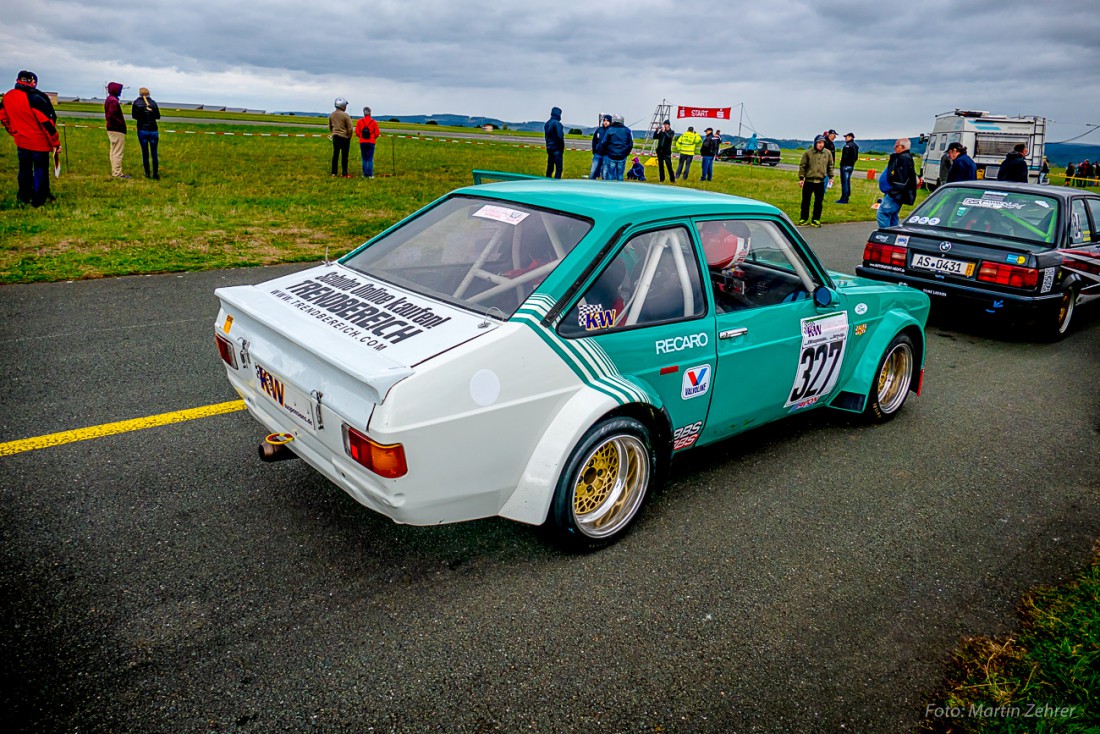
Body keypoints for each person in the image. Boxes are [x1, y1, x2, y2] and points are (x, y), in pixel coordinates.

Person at [0, 70, 60, 206]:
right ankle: (38, 198)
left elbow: (3, 116)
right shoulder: (35, 98)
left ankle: (24, 195)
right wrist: (55, 142)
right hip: (39, 142)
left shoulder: (8, 97)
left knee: (24, 169)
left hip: (21, 140)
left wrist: (13, 131)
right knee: (40, 169)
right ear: (32, 82)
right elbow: (46, 123)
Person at [877, 138, 917, 228]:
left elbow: (901, 179)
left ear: (902, 147)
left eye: (896, 145)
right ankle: (892, 233)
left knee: (882, 213)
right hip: (894, 193)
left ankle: (885, 235)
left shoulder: (904, 158)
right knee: (893, 215)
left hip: (895, 194)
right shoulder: (900, 157)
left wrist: (893, 192)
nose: (894, 147)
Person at [797, 135, 833, 227]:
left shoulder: (828, 153)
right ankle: (803, 218)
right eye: (819, 143)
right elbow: (803, 166)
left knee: (818, 202)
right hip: (809, 181)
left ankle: (816, 219)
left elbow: (830, 166)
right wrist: (801, 178)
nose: (821, 145)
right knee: (806, 201)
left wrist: (831, 177)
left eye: (823, 143)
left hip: (820, 181)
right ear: (815, 143)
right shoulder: (808, 153)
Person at [131, 87, 161, 179]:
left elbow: (134, 116)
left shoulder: (136, 103)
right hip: (153, 129)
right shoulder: (153, 103)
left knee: (145, 153)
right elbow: (158, 116)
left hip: (142, 129)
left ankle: (147, 173)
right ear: (149, 94)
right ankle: (155, 174)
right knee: (154, 152)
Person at [104, 81, 129, 178]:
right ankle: (117, 173)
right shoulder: (113, 101)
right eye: (119, 90)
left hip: (111, 128)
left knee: (114, 151)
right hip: (117, 129)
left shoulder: (109, 99)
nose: (120, 92)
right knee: (118, 152)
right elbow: (112, 115)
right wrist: (120, 124)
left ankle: (115, 171)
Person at [597, 114, 633, 181]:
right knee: (620, 175)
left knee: (610, 174)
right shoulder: (627, 130)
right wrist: (626, 153)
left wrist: (608, 151)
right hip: (622, 156)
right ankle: (620, 189)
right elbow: (630, 144)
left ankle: (610, 189)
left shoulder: (610, 129)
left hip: (611, 155)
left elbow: (603, 142)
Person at [328, 98, 354, 177]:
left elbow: (330, 126)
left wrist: (333, 133)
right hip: (344, 137)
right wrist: (349, 136)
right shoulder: (346, 115)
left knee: (335, 154)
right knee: (344, 156)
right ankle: (344, 172)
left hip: (335, 137)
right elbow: (350, 128)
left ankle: (334, 172)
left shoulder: (331, 115)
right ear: (343, 106)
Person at [354, 106, 381, 178]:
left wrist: (361, 137)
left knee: (364, 158)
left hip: (362, 142)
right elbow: (377, 133)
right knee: (370, 158)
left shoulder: (359, 121)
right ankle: (370, 174)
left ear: (364, 113)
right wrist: (373, 137)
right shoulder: (374, 122)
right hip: (371, 142)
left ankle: (364, 174)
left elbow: (357, 132)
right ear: (370, 113)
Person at [835, 132, 859, 203]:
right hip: (851, 166)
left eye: (847, 137)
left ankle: (844, 198)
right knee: (848, 181)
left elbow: (844, 157)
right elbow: (856, 157)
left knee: (844, 182)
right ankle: (847, 196)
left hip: (845, 166)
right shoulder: (855, 146)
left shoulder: (847, 146)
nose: (845, 138)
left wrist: (842, 164)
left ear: (851, 137)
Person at [544, 106, 564, 179]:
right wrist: (561, 147)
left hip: (549, 148)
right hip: (557, 149)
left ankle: (547, 181)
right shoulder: (557, 124)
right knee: (559, 169)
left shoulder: (547, 124)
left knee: (550, 168)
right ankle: (556, 184)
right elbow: (560, 137)